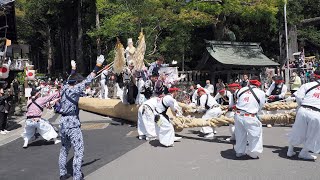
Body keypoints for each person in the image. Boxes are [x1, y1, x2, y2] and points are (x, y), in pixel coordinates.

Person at [58, 56, 105, 180]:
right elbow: (89, 79)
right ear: (77, 82)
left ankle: (62, 174)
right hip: (72, 123)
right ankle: (77, 176)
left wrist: (73, 69)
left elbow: (70, 78)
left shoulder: (64, 88)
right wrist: (98, 65)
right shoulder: (75, 89)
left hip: (62, 122)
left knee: (64, 149)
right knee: (79, 151)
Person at [287, 70, 320, 160]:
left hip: (303, 109)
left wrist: (302, 106)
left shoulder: (307, 85)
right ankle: (304, 152)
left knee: (297, 130)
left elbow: (298, 96)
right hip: (317, 113)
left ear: (315, 76)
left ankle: (290, 150)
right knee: (313, 134)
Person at [234, 76, 266, 159]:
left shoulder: (241, 90)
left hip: (238, 114)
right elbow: (261, 105)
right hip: (250, 116)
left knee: (240, 134)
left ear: (249, 82)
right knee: (255, 135)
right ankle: (253, 153)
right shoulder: (261, 93)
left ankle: (239, 152)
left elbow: (237, 98)